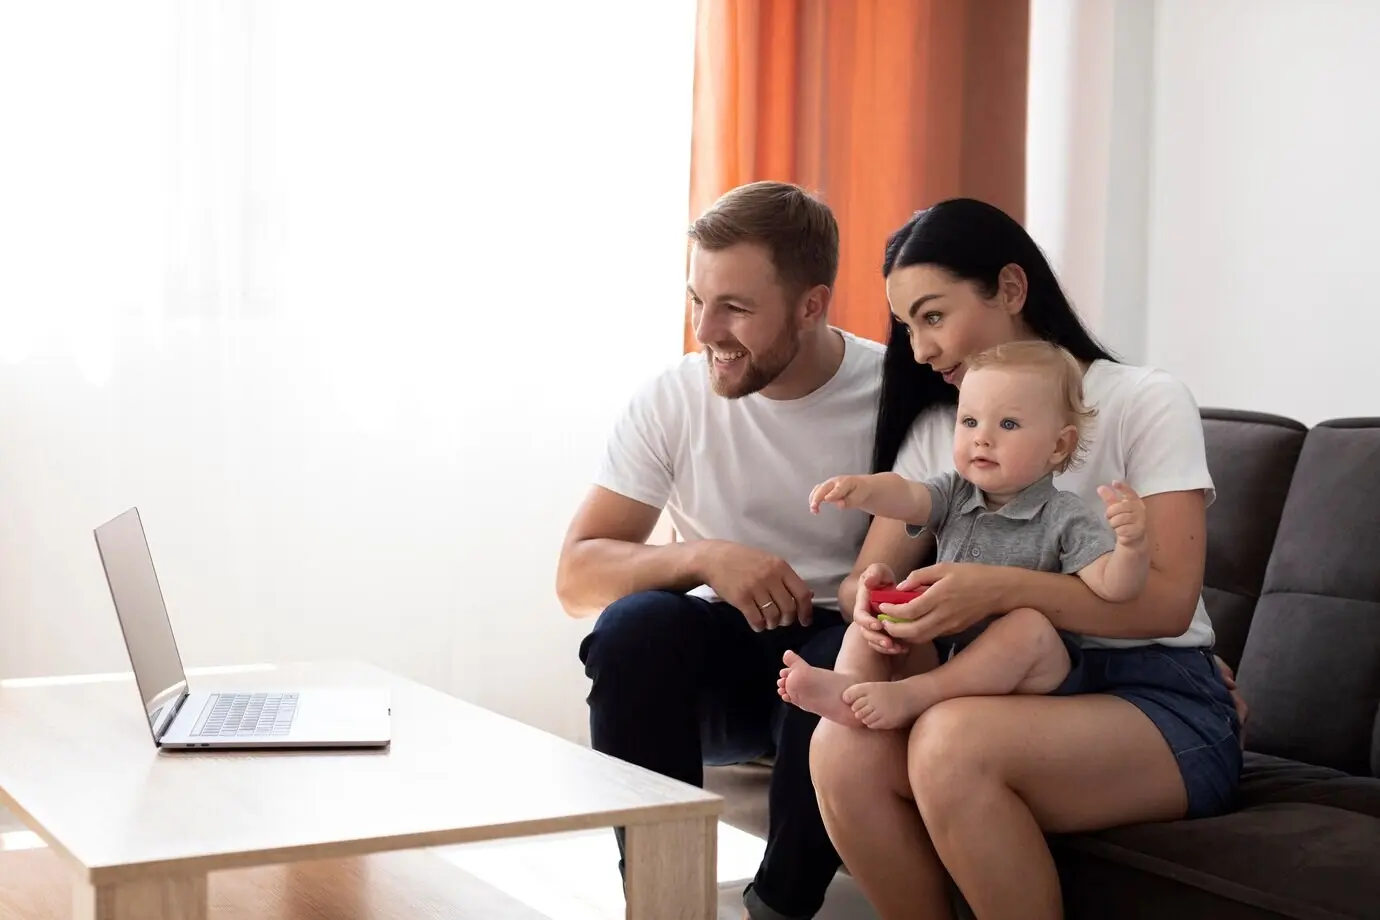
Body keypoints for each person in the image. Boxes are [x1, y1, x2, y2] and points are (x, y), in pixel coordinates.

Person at [808, 198, 1247, 920]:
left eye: (934, 315)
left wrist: (999, 590)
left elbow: (1167, 601)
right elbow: (869, 573)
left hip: (1149, 695)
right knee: (840, 749)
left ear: (1011, 289)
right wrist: (872, 599)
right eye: (906, 326)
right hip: (1007, 688)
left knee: (952, 742)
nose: (918, 350)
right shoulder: (945, 428)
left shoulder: (1144, 400)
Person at [556, 180, 875, 920]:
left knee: (838, 655)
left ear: (810, 305)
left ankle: (778, 907)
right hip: (719, 666)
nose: (706, 329)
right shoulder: (673, 397)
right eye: (697, 300)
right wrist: (707, 559)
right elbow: (575, 578)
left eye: (734, 307)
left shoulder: (892, 394)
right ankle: (662, 901)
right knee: (633, 627)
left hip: (844, 658)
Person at [779, 340, 1152, 732]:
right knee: (873, 615)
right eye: (969, 421)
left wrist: (1131, 545)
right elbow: (907, 495)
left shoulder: (1064, 515)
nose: (982, 438)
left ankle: (917, 694)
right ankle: (853, 687)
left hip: (1029, 673)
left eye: (1008, 424)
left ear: (1059, 446)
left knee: (1029, 626)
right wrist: (862, 489)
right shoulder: (956, 492)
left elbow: (1115, 586)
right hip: (947, 652)